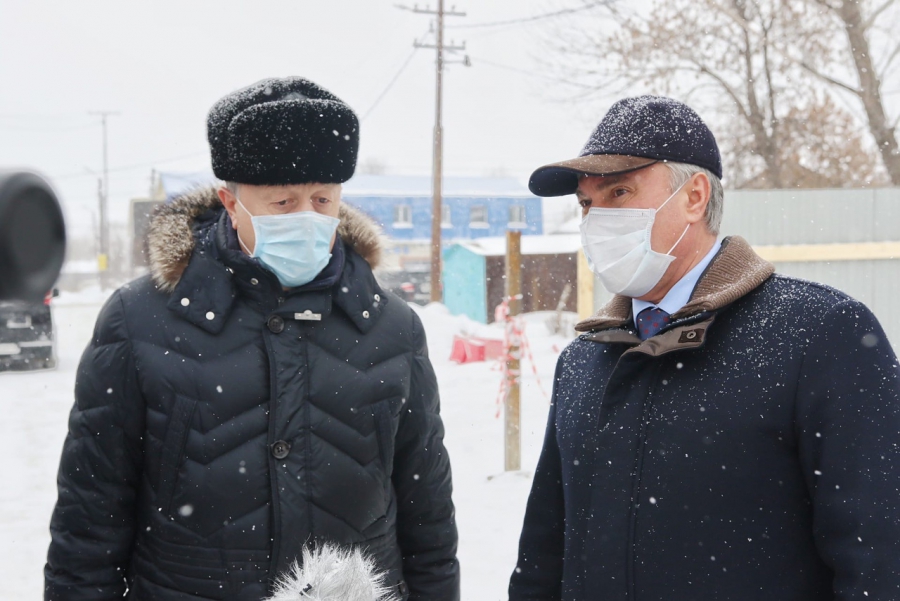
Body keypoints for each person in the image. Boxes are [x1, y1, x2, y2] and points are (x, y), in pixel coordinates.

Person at [44, 77, 459, 601]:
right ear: (231, 202)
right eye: (282, 201)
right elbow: (90, 514)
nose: (307, 217)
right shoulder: (140, 320)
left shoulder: (391, 326)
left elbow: (428, 513)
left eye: (323, 199)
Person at [508, 95, 900, 600]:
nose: (596, 219)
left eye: (619, 192)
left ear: (694, 197)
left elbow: (880, 556)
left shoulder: (819, 335)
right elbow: (543, 555)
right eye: (586, 203)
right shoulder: (583, 360)